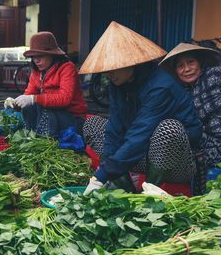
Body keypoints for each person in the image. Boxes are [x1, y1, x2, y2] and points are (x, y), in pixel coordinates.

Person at [81, 21, 202, 194]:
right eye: (106, 70)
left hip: (176, 161)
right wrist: (104, 169)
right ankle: (127, 193)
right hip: (141, 153)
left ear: (132, 63)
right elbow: (115, 127)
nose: (109, 74)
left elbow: (142, 131)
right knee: (93, 124)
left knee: (169, 128)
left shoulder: (161, 86)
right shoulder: (117, 84)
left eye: (114, 68)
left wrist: (104, 173)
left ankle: (148, 196)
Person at [5, 31, 87, 138]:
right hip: (50, 118)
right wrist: (15, 103)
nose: (36, 60)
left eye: (40, 56)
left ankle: (42, 140)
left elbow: (65, 98)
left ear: (52, 54)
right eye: (34, 57)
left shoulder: (67, 68)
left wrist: (34, 99)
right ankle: (30, 138)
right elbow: (28, 96)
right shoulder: (36, 72)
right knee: (29, 108)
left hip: (73, 119)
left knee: (43, 107)